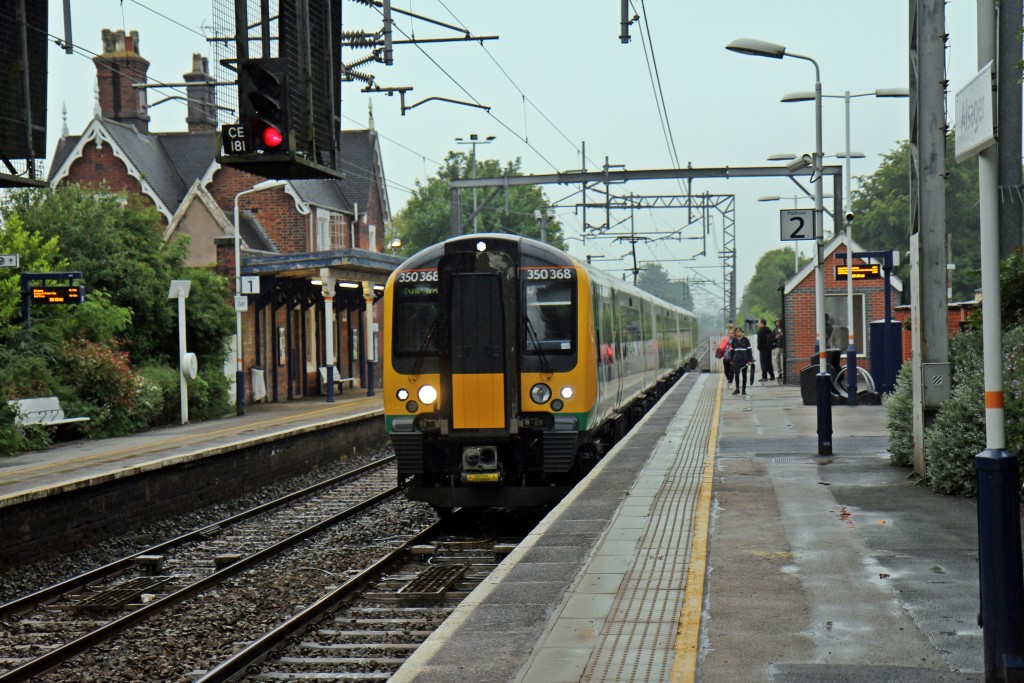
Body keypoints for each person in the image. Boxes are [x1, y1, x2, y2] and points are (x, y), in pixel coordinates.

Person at [729, 326, 753, 395]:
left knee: (744, 375)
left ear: (742, 332)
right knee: (736, 374)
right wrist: (731, 360)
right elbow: (732, 351)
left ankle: (743, 389)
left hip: (744, 361)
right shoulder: (734, 340)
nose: (737, 333)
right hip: (736, 361)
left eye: (739, 332)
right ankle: (737, 389)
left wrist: (750, 360)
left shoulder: (746, 340)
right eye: (736, 332)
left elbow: (749, 351)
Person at [772, 320, 785, 385]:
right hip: (777, 346)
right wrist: (776, 337)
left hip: (784, 346)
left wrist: (782, 335)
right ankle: (780, 373)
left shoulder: (784, 329)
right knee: (777, 360)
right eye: (776, 322)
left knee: (784, 359)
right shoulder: (774, 330)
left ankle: (785, 372)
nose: (777, 323)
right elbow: (772, 338)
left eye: (778, 322)